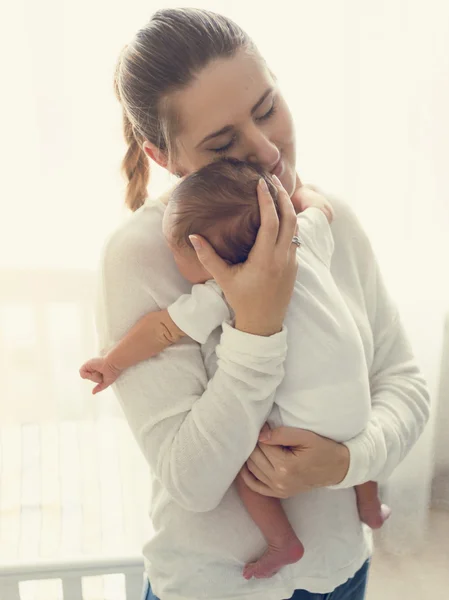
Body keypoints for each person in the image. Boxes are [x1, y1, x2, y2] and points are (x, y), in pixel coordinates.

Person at [97, 8, 430, 600]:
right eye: (222, 145)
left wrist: (348, 464)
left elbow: (402, 383)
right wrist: (257, 327)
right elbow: (192, 483)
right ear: (163, 158)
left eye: (267, 109)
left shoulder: (331, 221)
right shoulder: (143, 259)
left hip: (343, 572)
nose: (266, 152)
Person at [81, 158, 391, 580]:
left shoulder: (224, 291)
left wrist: (113, 362)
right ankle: (369, 503)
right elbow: (322, 209)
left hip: (304, 431)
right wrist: (298, 194)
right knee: (353, 432)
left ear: (208, 258)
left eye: (177, 251)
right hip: (358, 415)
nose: (173, 262)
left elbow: (162, 331)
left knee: (242, 460)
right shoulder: (305, 240)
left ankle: (283, 541)